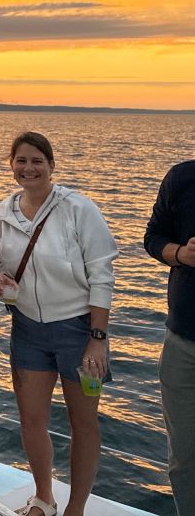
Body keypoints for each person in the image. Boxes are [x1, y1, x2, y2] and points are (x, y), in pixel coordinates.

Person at [0, 132, 118, 516]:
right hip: (27, 328)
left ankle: (75, 508)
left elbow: (102, 274)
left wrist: (98, 338)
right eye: (21, 161)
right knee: (31, 419)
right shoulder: (3, 213)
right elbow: (4, 268)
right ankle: (43, 497)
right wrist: (2, 282)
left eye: (36, 161)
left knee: (83, 422)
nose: (28, 168)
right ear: (11, 165)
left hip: (79, 330)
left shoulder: (78, 208)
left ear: (51, 165)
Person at [144, 158, 195, 516]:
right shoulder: (182, 177)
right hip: (182, 342)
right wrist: (180, 254)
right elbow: (153, 237)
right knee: (185, 459)